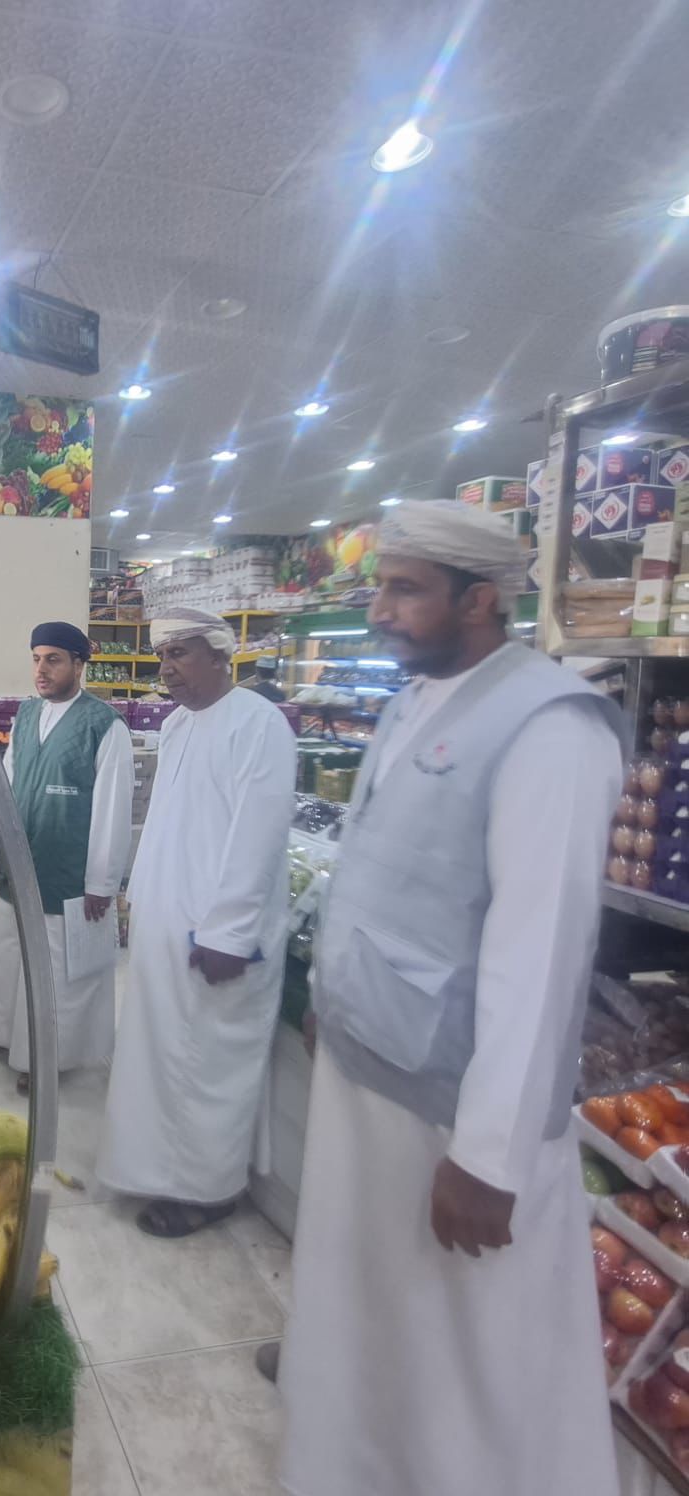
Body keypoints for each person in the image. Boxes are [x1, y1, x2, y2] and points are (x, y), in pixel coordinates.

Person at [276, 501, 621, 1496]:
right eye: (379, 586)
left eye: (405, 589)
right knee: (368, 1305)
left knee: (462, 1356)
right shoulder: (410, 700)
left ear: (480, 600)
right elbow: (377, 869)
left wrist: (487, 1156)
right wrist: (332, 993)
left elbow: (539, 952)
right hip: (368, 1067)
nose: (379, 610)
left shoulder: (551, 728)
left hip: (451, 1107)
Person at [98, 607, 295, 1236]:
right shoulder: (179, 724)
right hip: (165, 922)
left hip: (215, 936)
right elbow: (167, 822)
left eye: (179, 653)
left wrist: (228, 933)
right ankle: (157, 1170)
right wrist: (138, 892)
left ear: (220, 655)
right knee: (160, 1056)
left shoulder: (259, 723)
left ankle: (208, 1192)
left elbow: (257, 836)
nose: (167, 668)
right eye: (162, 655)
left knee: (207, 1064)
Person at [0, 621, 134, 1092]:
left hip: (67, 870)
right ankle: (0, 1033)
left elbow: (113, 809)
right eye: (37, 659)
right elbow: (5, 783)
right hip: (20, 862)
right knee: (7, 954)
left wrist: (102, 883)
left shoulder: (105, 726)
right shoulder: (26, 715)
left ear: (79, 665)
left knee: (57, 969)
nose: (41, 669)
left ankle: (46, 1057)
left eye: (54, 660)